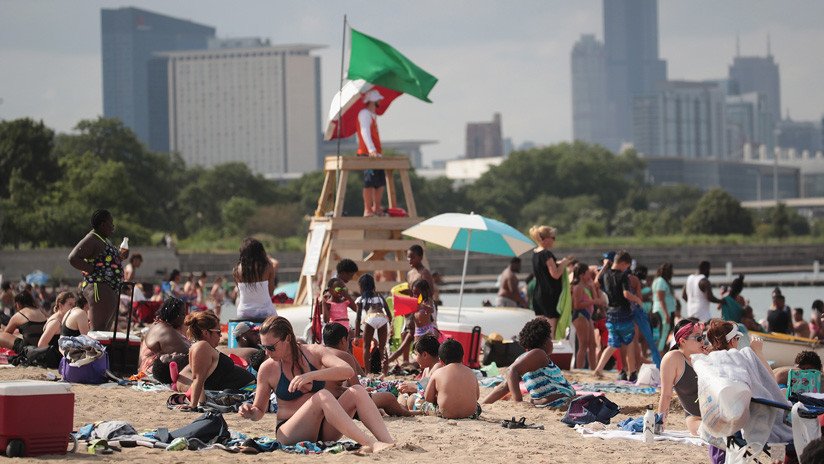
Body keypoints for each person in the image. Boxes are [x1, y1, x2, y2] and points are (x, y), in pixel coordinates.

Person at [238, 316, 394, 452]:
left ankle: (388, 442)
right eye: (263, 347)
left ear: (287, 338)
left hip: (324, 429)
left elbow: (347, 371)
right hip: (290, 431)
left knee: (357, 391)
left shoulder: (313, 352)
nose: (267, 353)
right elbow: (259, 410)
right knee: (322, 396)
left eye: (271, 347)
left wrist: (311, 375)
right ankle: (371, 444)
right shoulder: (268, 368)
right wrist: (250, 411)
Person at [322, 322, 412, 417]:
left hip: (324, 400)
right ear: (343, 340)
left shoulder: (318, 353)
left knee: (378, 410)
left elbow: (332, 387)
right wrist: (364, 391)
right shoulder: (344, 356)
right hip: (339, 401)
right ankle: (409, 413)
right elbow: (356, 387)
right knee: (389, 398)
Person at [482, 317, 574, 407]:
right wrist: (518, 401)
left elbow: (505, 386)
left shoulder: (524, 359)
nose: (552, 342)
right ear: (545, 341)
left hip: (555, 402)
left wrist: (483, 404)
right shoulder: (539, 354)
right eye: (550, 338)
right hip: (560, 402)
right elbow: (511, 370)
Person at [176, 312, 256, 408]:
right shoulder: (202, 346)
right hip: (246, 390)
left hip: (243, 389)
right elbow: (198, 379)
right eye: (218, 332)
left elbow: (199, 380)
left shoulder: (197, 347)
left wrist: (199, 403)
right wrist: (194, 405)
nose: (221, 336)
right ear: (205, 333)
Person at [68, 209, 126, 330]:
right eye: (111, 224)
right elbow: (73, 258)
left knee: (105, 332)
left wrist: (120, 256)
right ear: (103, 224)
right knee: (98, 332)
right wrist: (92, 270)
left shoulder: (103, 239)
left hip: (108, 289)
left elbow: (106, 261)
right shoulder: (92, 239)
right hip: (99, 288)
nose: (113, 227)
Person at [593, 251, 644, 381]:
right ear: (623, 264)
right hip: (624, 314)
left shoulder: (606, 275)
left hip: (610, 314)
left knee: (612, 344)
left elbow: (596, 281)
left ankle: (598, 369)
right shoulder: (623, 276)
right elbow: (626, 294)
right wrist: (637, 300)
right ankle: (632, 372)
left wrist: (605, 266)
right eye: (627, 266)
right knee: (629, 343)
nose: (627, 269)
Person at [656, 318, 707, 436]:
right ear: (683, 341)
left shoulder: (706, 357)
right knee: (716, 431)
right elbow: (666, 394)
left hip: (719, 414)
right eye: (698, 338)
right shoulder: (673, 358)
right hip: (696, 419)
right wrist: (660, 422)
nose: (702, 342)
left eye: (703, 337)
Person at [416, 339, 481, 419]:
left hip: (445, 413)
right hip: (470, 414)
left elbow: (428, 398)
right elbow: (477, 396)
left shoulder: (437, 373)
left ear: (441, 361)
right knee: (478, 406)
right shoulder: (471, 372)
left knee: (424, 405)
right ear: (463, 358)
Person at [528, 225, 574, 338]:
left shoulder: (535, 253)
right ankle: (550, 355)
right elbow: (555, 274)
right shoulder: (546, 254)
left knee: (540, 331)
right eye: (553, 238)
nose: (554, 240)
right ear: (546, 239)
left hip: (539, 294)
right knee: (551, 331)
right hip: (550, 295)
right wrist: (564, 263)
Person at [139, 297, 192, 376]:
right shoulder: (166, 331)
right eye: (183, 314)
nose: (184, 317)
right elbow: (187, 353)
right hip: (153, 371)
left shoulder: (159, 324)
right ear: (175, 316)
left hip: (146, 367)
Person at [356, 90, 387, 217]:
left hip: (375, 154)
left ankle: (376, 207)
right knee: (369, 183)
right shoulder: (364, 114)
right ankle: (368, 209)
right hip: (368, 153)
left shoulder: (371, 115)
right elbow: (364, 132)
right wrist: (371, 150)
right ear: (374, 101)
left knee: (379, 183)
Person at [354, 274, 392, 374]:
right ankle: (385, 372)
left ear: (361, 287)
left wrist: (356, 336)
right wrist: (391, 326)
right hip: (382, 318)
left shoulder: (361, 299)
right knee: (382, 347)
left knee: (366, 346)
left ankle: (367, 372)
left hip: (371, 317)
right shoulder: (380, 296)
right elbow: (389, 314)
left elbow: (357, 319)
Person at [234, 238, 277, 320]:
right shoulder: (267, 266)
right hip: (266, 313)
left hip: (243, 313)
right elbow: (271, 292)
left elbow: (240, 292)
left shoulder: (236, 270)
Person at [571, 263, 602, 370]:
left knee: (592, 345)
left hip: (587, 316)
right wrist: (592, 301)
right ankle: (579, 369)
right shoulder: (578, 287)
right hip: (580, 316)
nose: (590, 275)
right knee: (583, 344)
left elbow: (596, 299)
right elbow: (577, 305)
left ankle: (594, 369)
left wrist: (592, 286)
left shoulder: (587, 286)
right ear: (581, 275)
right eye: (588, 273)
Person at [651, 263, 676, 353]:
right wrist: (666, 314)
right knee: (664, 333)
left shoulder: (661, 281)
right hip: (663, 311)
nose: (673, 273)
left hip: (667, 310)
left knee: (666, 333)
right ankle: (661, 355)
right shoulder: (661, 281)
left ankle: (663, 353)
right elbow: (660, 299)